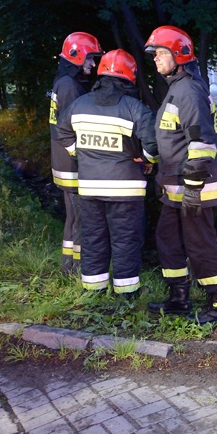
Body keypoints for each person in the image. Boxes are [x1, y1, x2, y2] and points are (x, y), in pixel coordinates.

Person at [143, 25, 217, 325]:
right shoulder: (177, 89)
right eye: (154, 54)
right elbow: (173, 142)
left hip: (195, 190)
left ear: (179, 55)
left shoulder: (188, 91)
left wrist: (193, 189)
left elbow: (203, 145)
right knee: (167, 240)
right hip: (175, 191)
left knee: (200, 246)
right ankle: (179, 299)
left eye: (160, 53)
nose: (155, 59)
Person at [56, 49, 158, 297]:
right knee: (125, 241)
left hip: (90, 189)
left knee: (93, 240)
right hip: (126, 191)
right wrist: (146, 160)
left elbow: (63, 133)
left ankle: (94, 291)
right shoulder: (134, 108)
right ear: (129, 77)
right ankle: (126, 294)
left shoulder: (79, 105)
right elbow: (153, 142)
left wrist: (79, 154)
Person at [49, 32, 103, 275]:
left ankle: (67, 267)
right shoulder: (70, 86)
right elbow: (73, 129)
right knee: (82, 220)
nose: (93, 64)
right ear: (77, 56)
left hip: (63, 162)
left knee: (73, 218)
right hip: (72, 164)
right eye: (90, 59)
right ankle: (80, 269)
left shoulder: (63, 83)